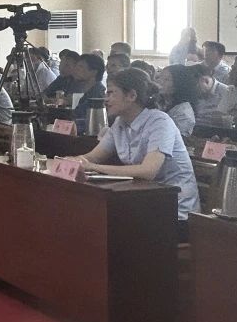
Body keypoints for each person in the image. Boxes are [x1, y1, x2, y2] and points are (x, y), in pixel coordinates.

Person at [73, 68, 201, 226]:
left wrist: (93, 167)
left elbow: (148, 171)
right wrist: (69, 162)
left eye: (111, 93)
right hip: (144, 203)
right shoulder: (120, 123)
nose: (106, 99)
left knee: (105, 224)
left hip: (175, 212)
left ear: (131, 96)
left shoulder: (160, 122)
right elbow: (92, 157)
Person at [158, 64, 200, 136]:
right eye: (159, 77)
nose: (160, 82)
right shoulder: (158, 102)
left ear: (178, 83)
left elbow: (174, 138)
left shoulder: (184, 113)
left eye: (166, 79)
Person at [71, 53, 107, 126]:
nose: (75, 69)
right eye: (76, 66)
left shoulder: (97, 96)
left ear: (94, 72)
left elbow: (91, 123)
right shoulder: (87, 93)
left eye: (80, 67)